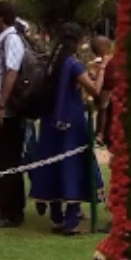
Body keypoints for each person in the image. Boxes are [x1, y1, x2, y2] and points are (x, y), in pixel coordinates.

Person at [28, 22, 103, 236]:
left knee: (54, 166)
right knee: (72, 167)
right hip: (71, 123)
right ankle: (71, 220)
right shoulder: (73, 64)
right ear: (78, 41)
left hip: (51, 122)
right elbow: (95, 90)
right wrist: (104, 67)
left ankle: (57, 218)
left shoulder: (53, 62)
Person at [0, 2, 28, 229]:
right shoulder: (2, 41)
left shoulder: (12, 40)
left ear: (1, 19)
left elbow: (12, 72)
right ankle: (0, 204)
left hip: (7, 113)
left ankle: (12, 213)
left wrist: (1, 106)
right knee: (0, 160)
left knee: (9, 161)